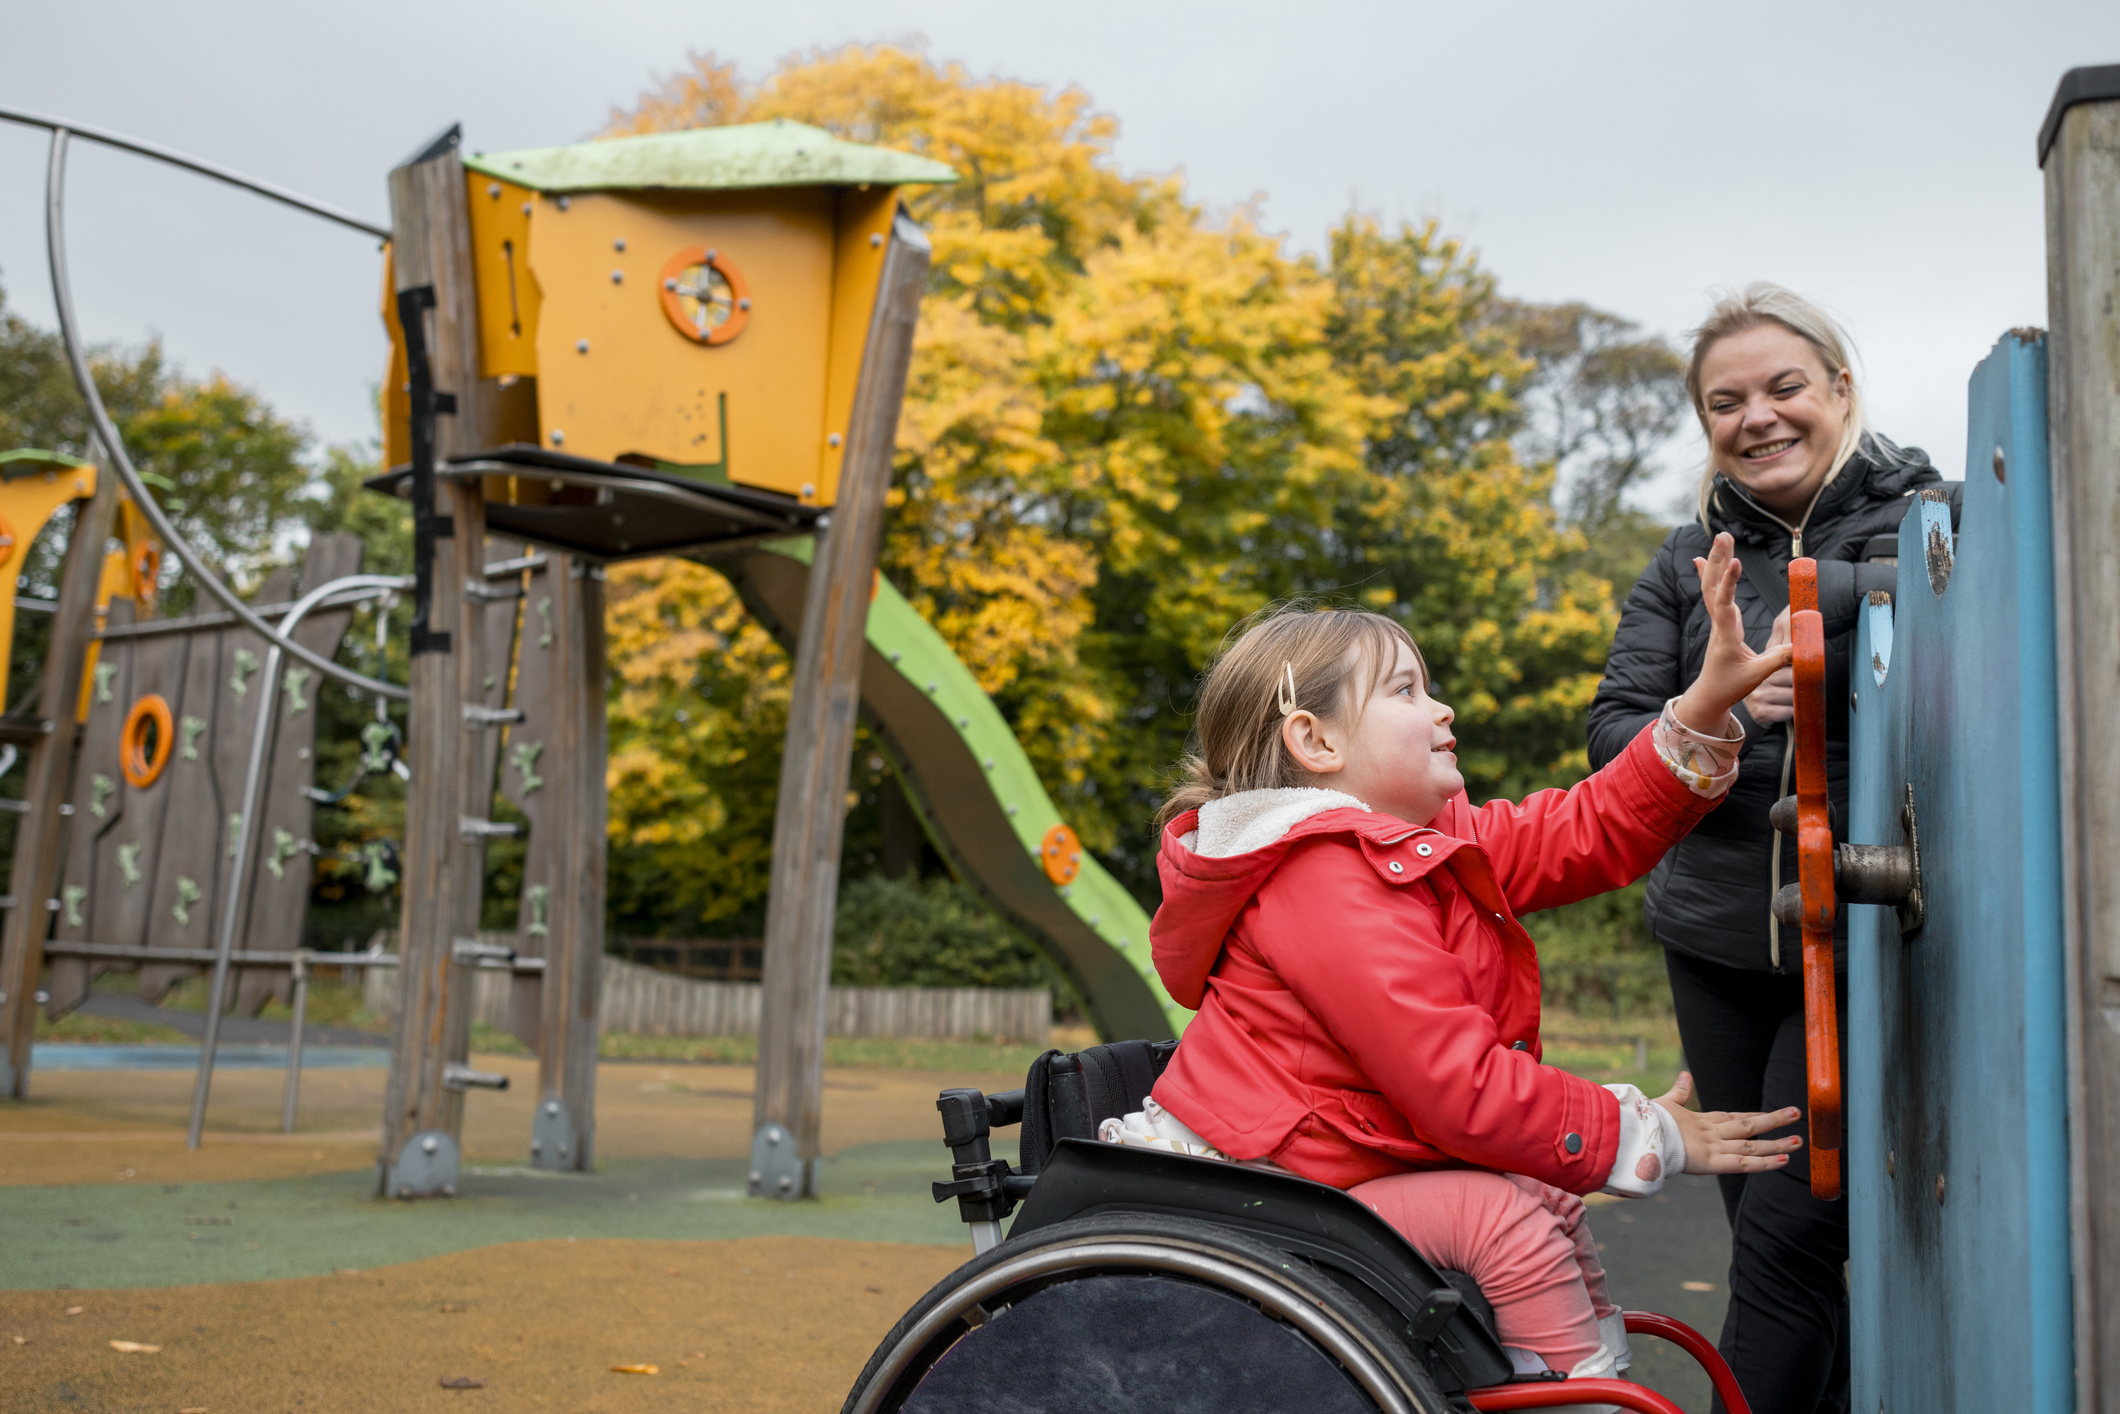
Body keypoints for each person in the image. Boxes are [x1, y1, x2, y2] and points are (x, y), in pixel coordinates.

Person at [1101, 533, 1796, 1393]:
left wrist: (1696, 711)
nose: (1443, 710)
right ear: (1315, 743)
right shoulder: (1318, 877)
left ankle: (1576, 1376)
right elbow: (1458, 1088)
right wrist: (1639, 1131)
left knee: (1540, 1199)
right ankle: (1574, 1393)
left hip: (1325, 1171)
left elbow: (1582, 831)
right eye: (1406, 691)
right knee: (1503, 1216)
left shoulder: (1419, 847)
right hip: (1259, 1196)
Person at [1587, 283, 1962, 1413]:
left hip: (1855, 926)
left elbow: (1953, 619)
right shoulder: (1681, 561)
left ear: (1838, 389)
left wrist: (1809, 633)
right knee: (1765, 1235)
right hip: (1710, 939)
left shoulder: (1926, 515)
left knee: (1788, 1242)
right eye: (1724, 400)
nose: (1757, 415)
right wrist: (1705, 710)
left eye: (1782, 386)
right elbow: (1614, 728)